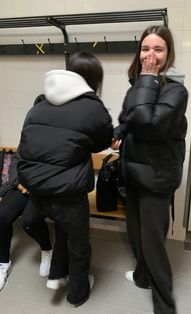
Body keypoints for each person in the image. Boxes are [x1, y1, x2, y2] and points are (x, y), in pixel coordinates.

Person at [17, 51, 113, 307]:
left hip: (38, 190)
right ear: (93, 79)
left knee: (62, 232)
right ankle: (77, 294)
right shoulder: (92, 107)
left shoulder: (41, 102)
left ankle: (56, 275)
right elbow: (102, 143)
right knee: (79, 245)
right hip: (68, 193)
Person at [112, 25, 188, 314]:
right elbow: (130, 118)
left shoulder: (176, 91)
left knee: (153, 244)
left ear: (168, 54)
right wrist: (120, 129)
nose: (150, 55)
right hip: (133, 171)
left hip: (157, 176)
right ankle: (142, 277)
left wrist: (147, 78)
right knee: (134, 233)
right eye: (145, 48)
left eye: (158, 49)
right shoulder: (138, 86)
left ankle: (165, 307)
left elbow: (152, 124)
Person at [0, 151, 53, 291]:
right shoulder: (30, 133)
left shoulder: (56, 137)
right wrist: (18, 183)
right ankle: (3, 262)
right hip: (22, 185)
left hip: (44, 189)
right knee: (1, 216)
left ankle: (47, 249)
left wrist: (37, 187)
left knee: (30, 222)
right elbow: (16, 162)